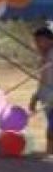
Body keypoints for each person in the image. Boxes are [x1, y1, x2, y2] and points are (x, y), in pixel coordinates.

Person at [30, 26, 53, 155]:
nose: (37, 44)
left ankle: (49, 154)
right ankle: (49, 153)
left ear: (50, 40)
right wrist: (35, 97)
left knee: (51, 130)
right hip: (47, 100)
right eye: (36, 41)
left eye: (40, 40)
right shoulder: (45, 57)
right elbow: (43, 80)